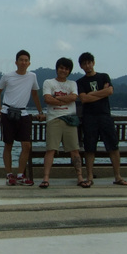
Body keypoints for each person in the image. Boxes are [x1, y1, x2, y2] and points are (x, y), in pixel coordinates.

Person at [76, 52, 127, 186]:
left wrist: (92, 94)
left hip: (105, 116)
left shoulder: (104, 76)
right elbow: (83, 99)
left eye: (89, 63)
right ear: (81, 66)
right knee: (89, 148)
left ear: (93, 63)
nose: (87, 66)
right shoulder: (80, 82)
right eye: (84, 64)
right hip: (89, 117)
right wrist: (102, 93)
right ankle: (89, 177)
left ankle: (118, 176)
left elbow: (110, 91)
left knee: (113, 146)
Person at [0, 50, 44, 186]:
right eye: (21, 60)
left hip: (23, 113)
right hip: (7, 112)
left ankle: (21, 175)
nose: (23, 62)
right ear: (16, 62)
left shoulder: (32, 76)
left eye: (26, 60)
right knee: (8, 144)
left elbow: (35, 94)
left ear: (29, 63)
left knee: (26, 145)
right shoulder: (7, 76)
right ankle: (9, 175)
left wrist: (40, 111)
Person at [40, 57, 89, 188]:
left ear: (69, 71)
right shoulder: (48, 82)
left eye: (66, 69)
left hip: (70, 120)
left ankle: (80, 177)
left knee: (74, 150)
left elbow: (74, 97)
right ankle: (46, 178)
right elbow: (47, 99)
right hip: (53, 119)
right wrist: (65, 99)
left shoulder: (72, 84)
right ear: (57, 69)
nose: (63, 70)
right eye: (61, 68)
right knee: (50, 150)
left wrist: (56, 98)